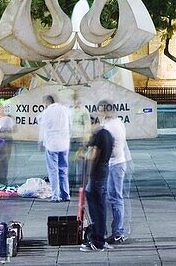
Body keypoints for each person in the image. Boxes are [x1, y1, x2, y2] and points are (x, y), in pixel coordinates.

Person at [81, 101, 113, 252]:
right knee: (100, 207)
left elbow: (94, 156)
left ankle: (97, 240)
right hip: (104, 172)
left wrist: (89, 171)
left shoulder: (98, 135)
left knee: (95, 209)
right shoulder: (107, 134)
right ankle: (101, 236)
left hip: (96, 175)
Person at [103, 106, 130, 246]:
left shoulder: (109, 126)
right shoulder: (119, 122)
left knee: (115, 197)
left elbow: (108, 148)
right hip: (119, 163)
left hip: (115, 164)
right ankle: (116, 231)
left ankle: (118, 232)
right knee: (114, 197)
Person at [39, 94, 71, 202]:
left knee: (53, 171)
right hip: (64, 144)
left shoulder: (46, 112)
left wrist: (41, 142)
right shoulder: (65, 110)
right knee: (63, 169)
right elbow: (70, 125)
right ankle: (66, 194)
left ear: (46, 103)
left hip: (51, 144)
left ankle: (55, 196)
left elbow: (42, 127)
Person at [69, 92, 92, 190]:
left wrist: (86, 139)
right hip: (71, 139)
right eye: (75, 99)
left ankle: (83, 184)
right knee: (71, 162)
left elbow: (87, 125)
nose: (77, 101)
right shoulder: (69, 110)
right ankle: (71, 183)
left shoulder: (84, 111)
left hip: (80, 140)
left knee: (82, 163)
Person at [0, 103, 15, 185]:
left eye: (0, 109)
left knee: (4, 161)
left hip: (5, 142)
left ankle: (2, 180)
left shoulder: (7, 119)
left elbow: (9, 131)